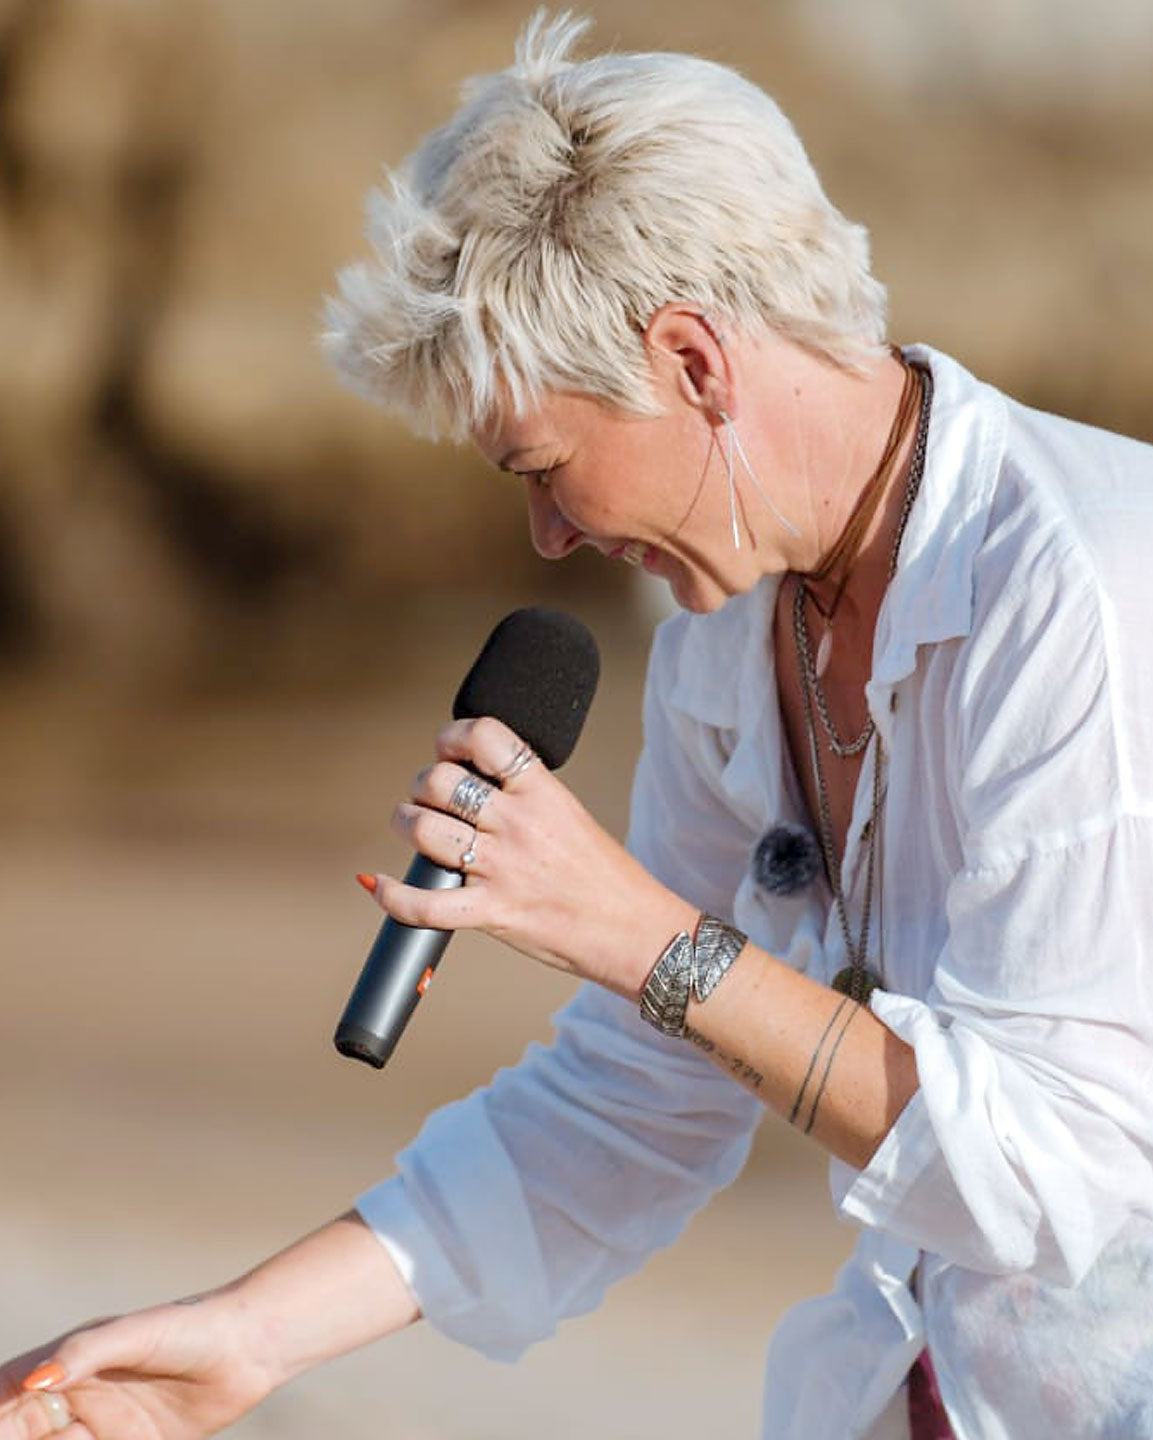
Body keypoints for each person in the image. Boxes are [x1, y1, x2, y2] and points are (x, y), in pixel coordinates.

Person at [3, 12, 1152, 1439]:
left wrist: (635, 932)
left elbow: (1052, 1177)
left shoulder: (1084, 588)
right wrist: (245, 1341)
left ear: (692, 360)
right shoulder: (729, 644)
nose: (543, 537)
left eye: (543, 468)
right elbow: (630, 1102)